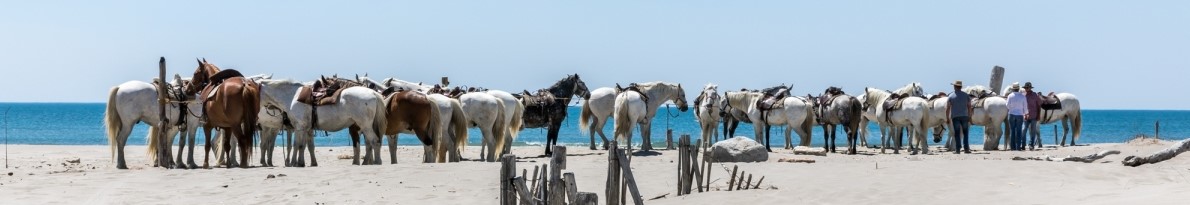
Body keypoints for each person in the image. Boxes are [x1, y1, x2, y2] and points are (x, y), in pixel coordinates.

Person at [947, 80, 973, 154]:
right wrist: (970, 116)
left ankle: (957, 150)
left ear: (955, 87)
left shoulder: (951, 96)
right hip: (965, 116)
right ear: (961, 87)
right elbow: (969, 107)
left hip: (955, 117)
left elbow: (948, 108)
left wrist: (947, 118)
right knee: (965, 133)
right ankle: (966, 149)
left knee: (957, 133)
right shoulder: (966, 95)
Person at [1006, 83, 1027, 151]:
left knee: (1012, 131)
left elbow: (1007, 106)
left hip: (1011, 114)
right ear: (1018, 89)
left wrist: (1012, 108)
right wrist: (1026, 113)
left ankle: (1012, 147)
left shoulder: (1010, 96)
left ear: (1012, 89)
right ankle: (1018, 147)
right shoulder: (1023, 96)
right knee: (1019, 131)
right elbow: (1025, 107)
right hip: (1020, 115)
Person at [1023, 82, 1042, 150]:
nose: (1026, 89)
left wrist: (1039, 115)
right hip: (1025, 116)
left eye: (1027, 88)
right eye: (1025, 88)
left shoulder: (1035, 95)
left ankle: (1031, 145)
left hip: (1034, 115)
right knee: (1024, 130)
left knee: (1033, 131)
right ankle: (1023, 144)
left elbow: (1039, 105)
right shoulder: (1023, 95)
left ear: (1030, 88)